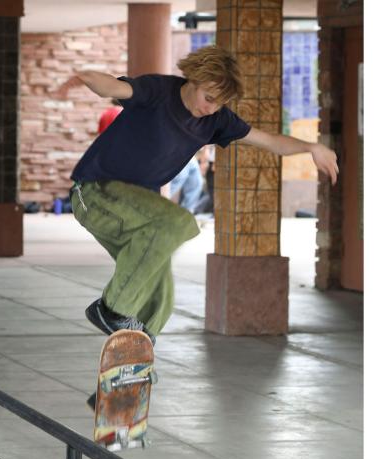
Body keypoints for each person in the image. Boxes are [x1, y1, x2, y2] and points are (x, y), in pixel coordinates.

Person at [54, 46, 338, 404]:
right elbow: (115, 88)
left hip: (137, 209)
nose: (210, 108)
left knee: (160, 298)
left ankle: (120, 387)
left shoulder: (216, 121)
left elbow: (268, 141)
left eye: (219, 104)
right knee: (178, 222)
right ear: (196, 78)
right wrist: (83, 76)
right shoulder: (160, 92)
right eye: (208, 98)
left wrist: (311, 148)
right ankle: (109, 309)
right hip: (96, 193)